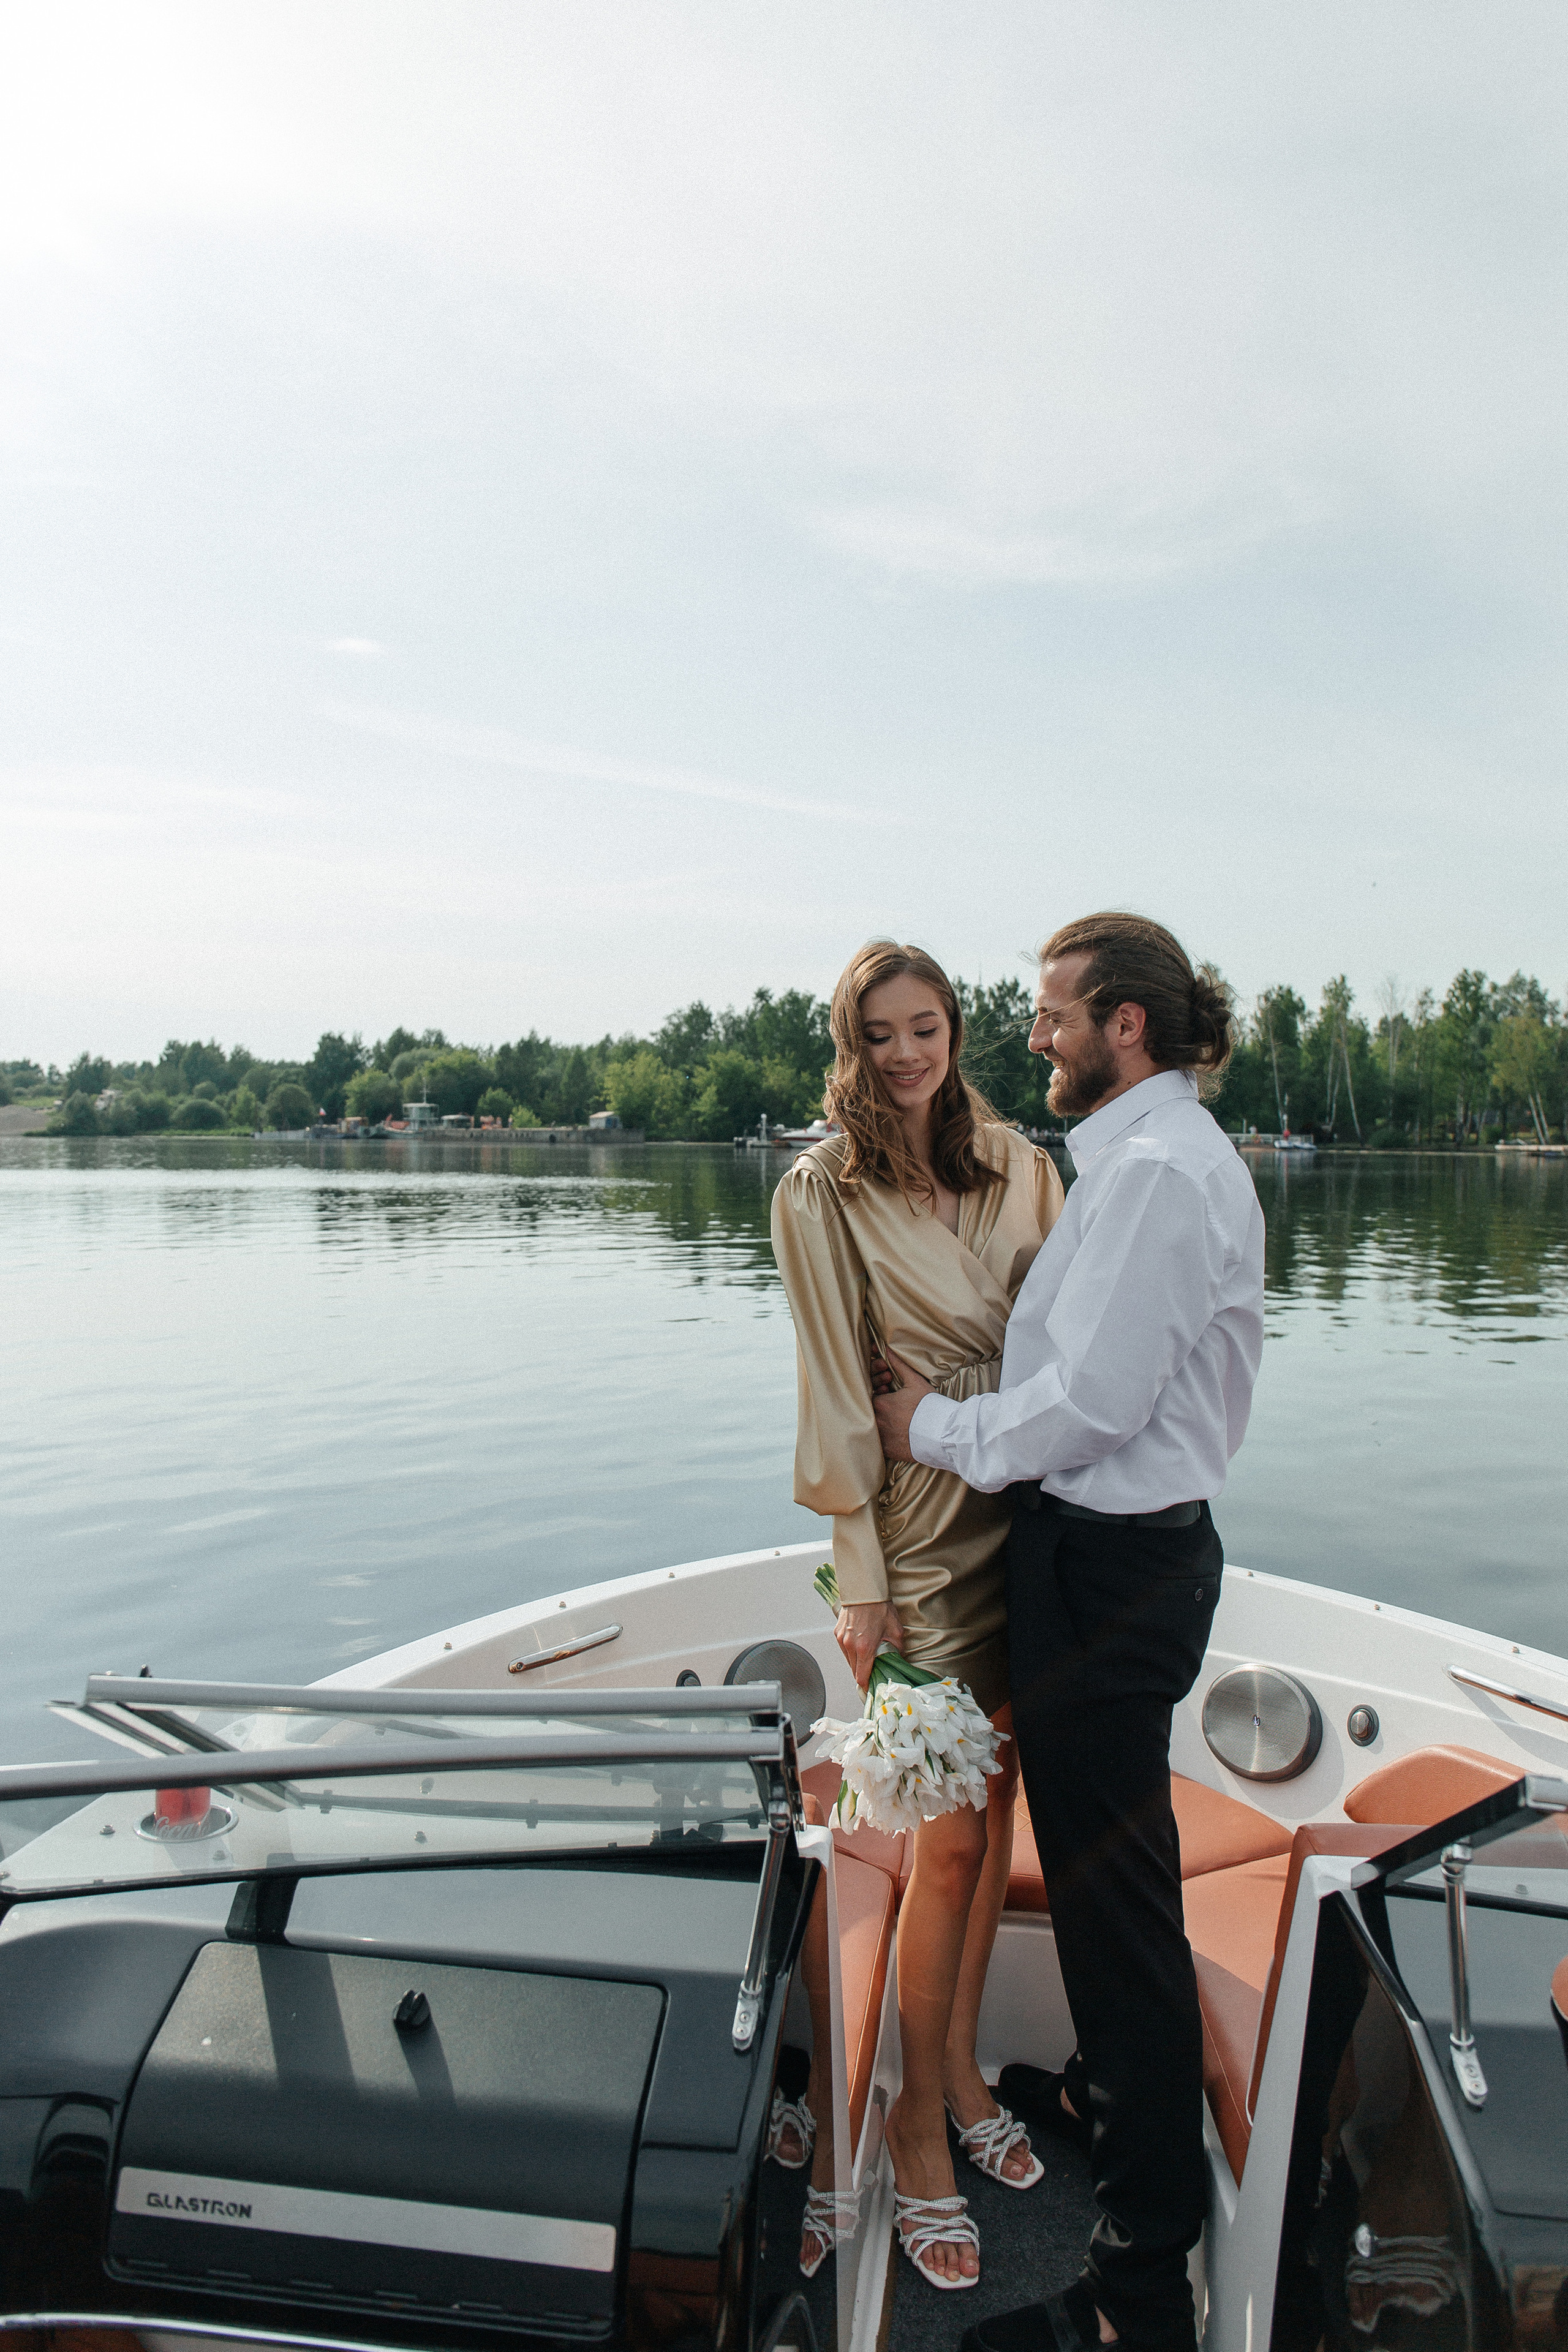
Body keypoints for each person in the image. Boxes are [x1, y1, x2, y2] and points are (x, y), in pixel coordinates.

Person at [872, 913, 1265, 2352]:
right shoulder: (1134, 1164)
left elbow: (1083, 1409)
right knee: (1109, 1898)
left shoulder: (1157, 1174)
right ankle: (1110, 2114)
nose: (1028, 1035)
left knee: (1116, 1924)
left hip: (1110, 1576)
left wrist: (929, 1427)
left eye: (1049, 1015)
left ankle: (1134, 2291)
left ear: (1124, 1029)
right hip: (1104, 1568)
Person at [770, 940, 1065, 2290]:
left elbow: (1068, 1337)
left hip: (1027, 1497)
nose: (903, 1052)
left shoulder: (1018, 1164)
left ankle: (949, 2069)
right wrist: (864, 1578)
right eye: (877, 1032)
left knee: (991, 1814)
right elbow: (836, 1389)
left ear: (955, 1029)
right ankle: (902, 2115)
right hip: (919, 1535)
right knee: (942, 1844)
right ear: (849, 1040)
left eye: (924, 1025)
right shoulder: (818, 1191)